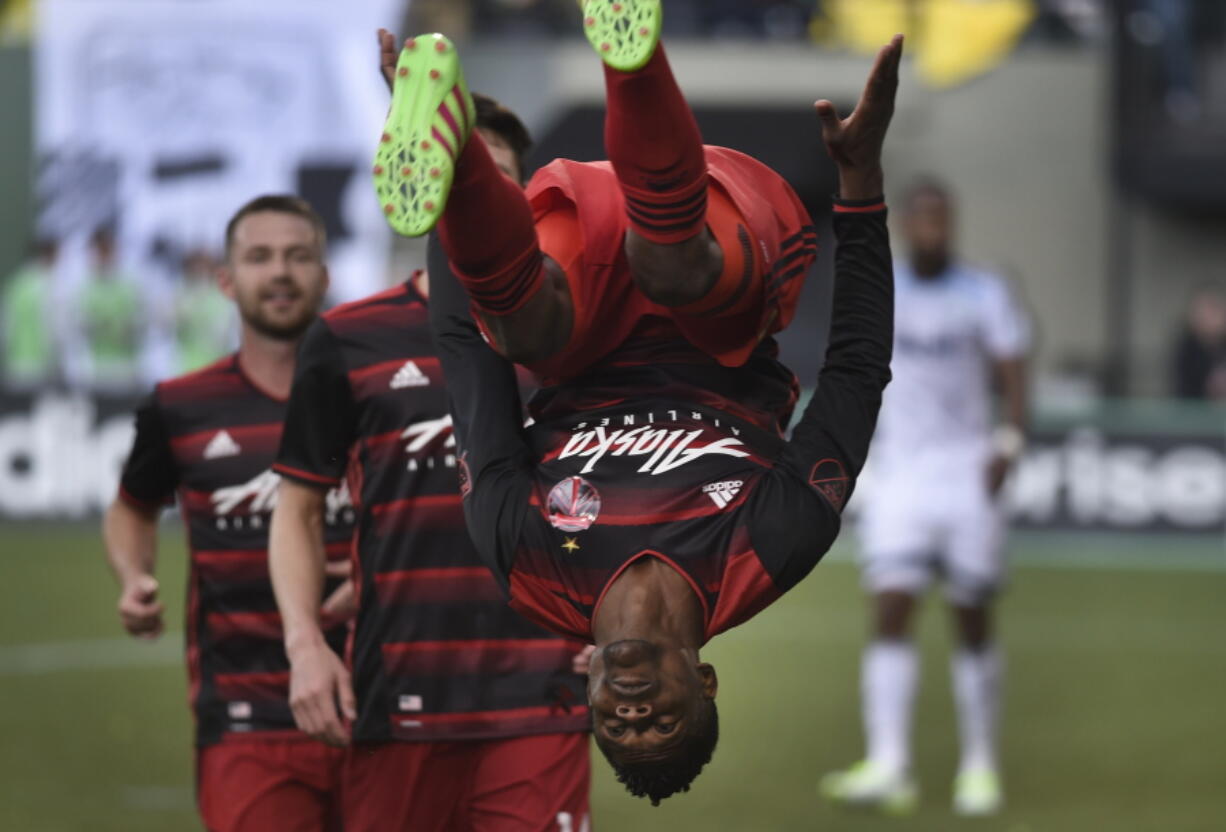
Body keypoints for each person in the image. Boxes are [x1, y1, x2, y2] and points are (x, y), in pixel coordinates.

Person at [384, 1, 902, 804]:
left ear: (586, 693)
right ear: (707, 684)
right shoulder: (764, 550)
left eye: (616, 727)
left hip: (574, 303)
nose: (633, 713)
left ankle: (445, 132)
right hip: (725, 276)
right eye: (662, 723)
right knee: (672, 269)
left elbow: (471, 372)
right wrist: (861, 187)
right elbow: (856, 375)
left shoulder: (528, 566)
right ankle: (630, 52)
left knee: (515, 332)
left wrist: (451, 195)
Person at [270, 81, 592, 832]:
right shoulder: (348, 339)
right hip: (401, 691)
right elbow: (298, 508)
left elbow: (618, 495)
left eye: (494, 179)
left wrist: (615, 633)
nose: (475, 196)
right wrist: (305, 644)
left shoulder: (581, 330)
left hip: (544, 695)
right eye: (458, 174)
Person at [102, 196, 353, 832]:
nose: (280, 273)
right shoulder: (181, 406)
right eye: (259, 257)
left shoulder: (374, 395)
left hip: (380, 707)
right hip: (246, 717)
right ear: (225, 279)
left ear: (324, 276)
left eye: (298, 256)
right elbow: (131, 510)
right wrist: (134, 579)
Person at [821, 179, 1031, 816]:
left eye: (942, 218)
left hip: (966, 473)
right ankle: (890, 764)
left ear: (953, 223)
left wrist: (1009, 443)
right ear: (906, 226)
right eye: (923, 219)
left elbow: (1015, 371)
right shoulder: (885, 293)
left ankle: (979, 766)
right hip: (900, 476)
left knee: (971, 617)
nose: (932, 229)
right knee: (889, 608)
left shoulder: (984, 292)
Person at [77, 228, 143, 392]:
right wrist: (93, 326)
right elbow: (77, 325)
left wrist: (129, 328)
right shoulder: (86, 288)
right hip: (97, 367)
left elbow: (142, 323)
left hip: (126, 367)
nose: (103, 257)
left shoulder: (129, 286)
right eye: (99, 251)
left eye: (107, 250)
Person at [1, 237, 60, 390]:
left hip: (17, 363)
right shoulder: (49, 284)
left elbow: (5, 327)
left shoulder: (15, 283)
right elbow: (52, 328)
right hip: (42, 366)